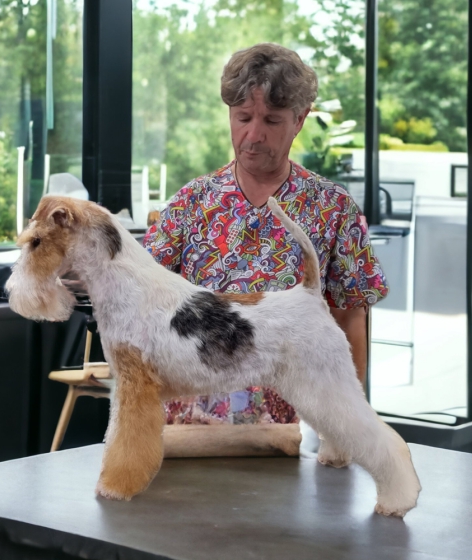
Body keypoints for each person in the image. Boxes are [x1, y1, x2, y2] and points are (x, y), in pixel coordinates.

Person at [142, 42, 388, 429]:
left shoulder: (333, 208)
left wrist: (347, 421)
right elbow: (146, 302)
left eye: (271, 121)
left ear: (300, 120)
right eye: (242, 118)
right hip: (188, 425)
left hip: (289, 425)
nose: (253, 135)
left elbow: (350, 316)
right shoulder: (191, 202)